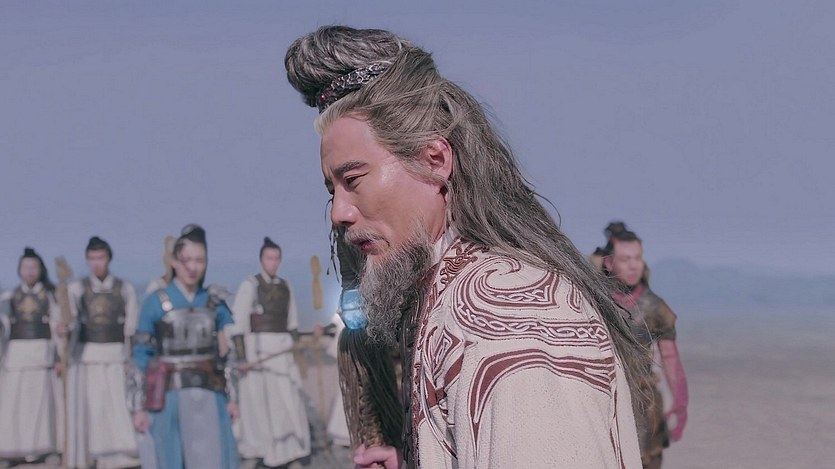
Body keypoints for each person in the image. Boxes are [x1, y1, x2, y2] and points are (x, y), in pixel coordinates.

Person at [285, 25, 647, 468]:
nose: (339, 213)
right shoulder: (444, 292)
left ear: (434, 160)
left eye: (353, 179)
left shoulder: (511, 317)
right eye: (333, 190)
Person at [128, 224, 240, 469]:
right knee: (171, 458)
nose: (192, 267)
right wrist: (138, 407)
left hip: (210, 396)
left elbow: (227, 354)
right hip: (169, 399)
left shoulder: (215, 304)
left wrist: (232, 398)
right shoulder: (154, 303)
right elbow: (140, 356)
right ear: (174, 261)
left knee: (212, 459)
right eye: (186, 260)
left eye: (199, 260)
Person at [603, 229, 688, 469]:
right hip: (606, 399)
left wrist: (680, 403)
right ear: (609, 263)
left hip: (646, 404)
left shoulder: (655, 307)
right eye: (625, 259)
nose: (633, 265)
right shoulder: (597, 302)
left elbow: (670, 358)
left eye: (637, 258)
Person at [230, 237, 311, 468]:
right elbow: (238, 324)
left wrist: (298, 350)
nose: (272, 263)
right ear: (261, 259)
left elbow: (292, 322)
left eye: (276, 258)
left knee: (288, 398)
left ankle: (292, 448)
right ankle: (263, 451)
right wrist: (242, 357)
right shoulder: (250, 285)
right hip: (258, 352)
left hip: (282, 351)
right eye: (269, 258)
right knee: (260, 403)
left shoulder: (286, 286)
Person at [65, 237, 140, 468]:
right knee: (93, 408)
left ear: (108, 259)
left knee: (118, 406)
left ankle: (122, 455)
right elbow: (71, 323)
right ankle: (92, 456)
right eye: (92, 258)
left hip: (116, 356)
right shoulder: (76, 289)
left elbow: (131, 328)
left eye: (100, 258)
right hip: (88, 357)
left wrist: (130, 359)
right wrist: (65, 334)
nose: (96, 263)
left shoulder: (124, 288)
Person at [0, 248, 62, 463]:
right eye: (25, 267)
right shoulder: (9, 297)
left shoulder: (51, 296)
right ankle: (11, 451)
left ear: (40, 270)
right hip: (15, 356)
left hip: (41, 355)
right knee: (13, 405)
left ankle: (45, 449)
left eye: (33, 267)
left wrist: (59, 356)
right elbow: (3, 326)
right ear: (19, 270)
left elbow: (57, 327)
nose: (29, 272)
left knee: (41, 406)